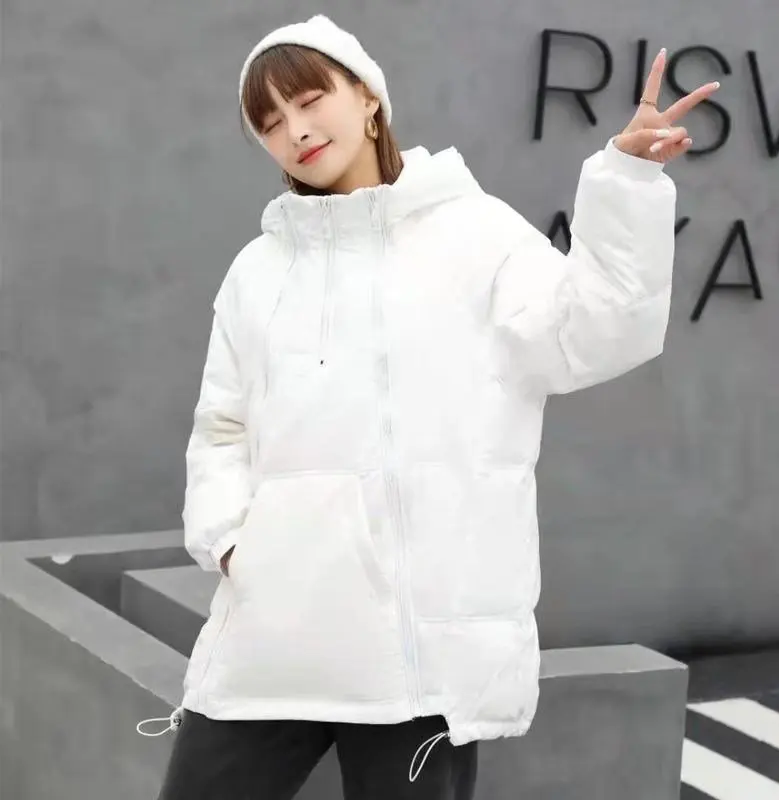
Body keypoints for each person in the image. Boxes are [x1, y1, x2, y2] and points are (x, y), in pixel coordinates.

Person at [137, 13, 719, 800]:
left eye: (309, 100)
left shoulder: (475, 235)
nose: (295, 131)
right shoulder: (258, 270)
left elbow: (593, 332)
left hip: (421, 657)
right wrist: (234, 544)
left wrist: (625, 183)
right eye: (268, 123)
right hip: (275, 636)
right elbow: (221, 427)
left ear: (367, 97)